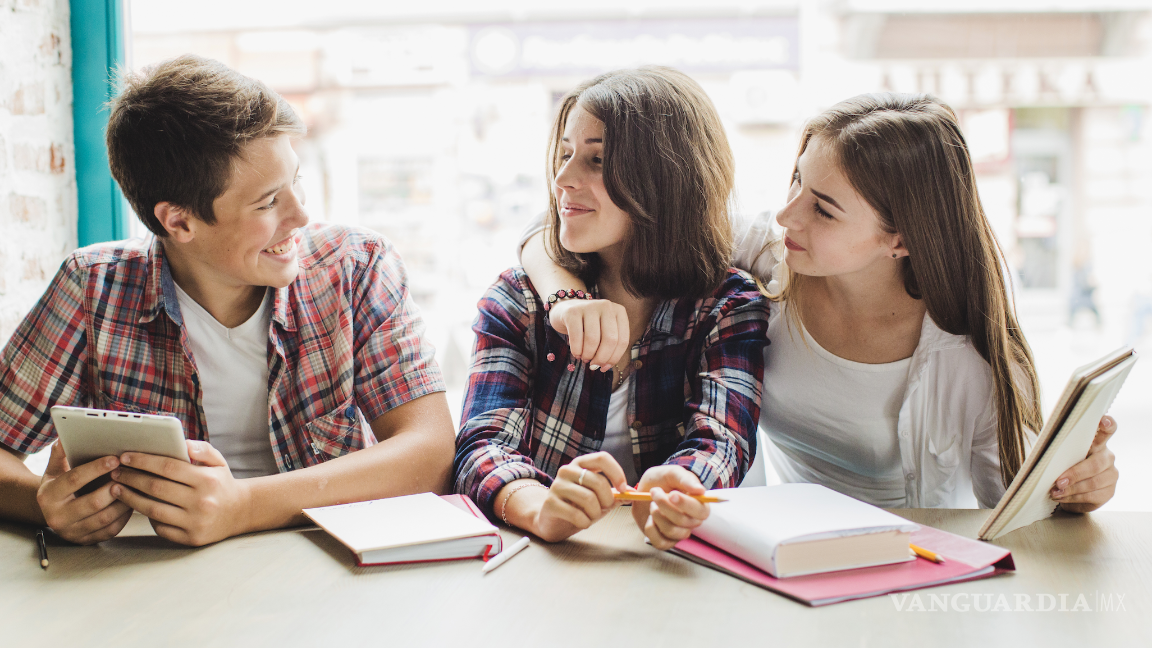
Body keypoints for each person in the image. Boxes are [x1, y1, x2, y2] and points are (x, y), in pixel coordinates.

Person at [521, 93, 1119, 513]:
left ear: (901, 240)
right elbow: (545, 234)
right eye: (796, 182)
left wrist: (1077, 490)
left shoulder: (971, 362)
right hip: (785, 554)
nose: (787, 214)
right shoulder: (767, 255)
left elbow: (1017, 516)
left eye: (823, 207)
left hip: (911, 571)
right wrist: (564, 297)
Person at [0, 55, 456, 547]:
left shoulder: (355, 267)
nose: (300, 215)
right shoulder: (92, 289)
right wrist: (45, 503)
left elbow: (429, 452)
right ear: (179, 222)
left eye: (295, 181)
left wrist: (242, 506)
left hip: (324, 566)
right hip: (153, 578)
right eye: (267, 202)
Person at [454, 67, 770, 549]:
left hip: (673, 562)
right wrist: (539, 508)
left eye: (596, 160)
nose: (562, 180)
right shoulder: (518, 301)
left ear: (665, 180)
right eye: (564, 154)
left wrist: (680, 492)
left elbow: (722, 441)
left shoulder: (726, 305)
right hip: (544, 560)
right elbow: (481, 447)